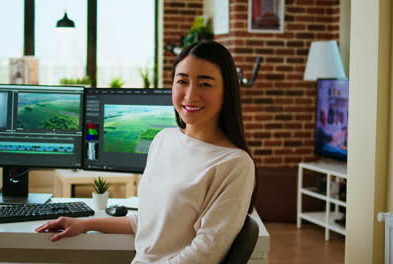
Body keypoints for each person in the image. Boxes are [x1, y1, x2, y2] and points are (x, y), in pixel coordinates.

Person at [35, 41, 257, 264]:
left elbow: (205, 254)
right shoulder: (163, 140)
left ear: (226, 91)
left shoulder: (235, 164)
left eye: (205, 84)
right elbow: (151, 221)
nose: (190, 95)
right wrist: (84, 224)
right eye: (182, 81)